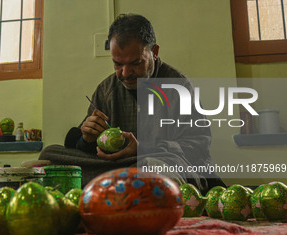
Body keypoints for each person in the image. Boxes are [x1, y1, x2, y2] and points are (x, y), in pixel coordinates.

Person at [39, 14, 226, 195]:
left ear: (154, 52)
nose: (125, 73)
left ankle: (117, 188)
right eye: (117, 64)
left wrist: (143, 148)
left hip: (161, 164)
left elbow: (198, 146)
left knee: (156, 169)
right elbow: (89, 149)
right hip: (116, 166)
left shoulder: (179, 86)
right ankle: (127, 187)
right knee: (50, 155)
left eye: (135, 63)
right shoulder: (106, 89)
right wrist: (86, 139)